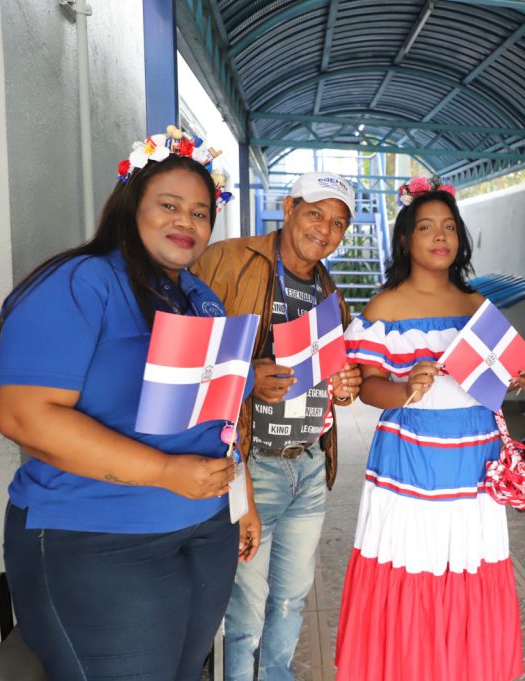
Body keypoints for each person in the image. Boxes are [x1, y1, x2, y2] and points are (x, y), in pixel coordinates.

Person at [0, 129, 260, 680]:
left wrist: (242, 500)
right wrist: (164, 471)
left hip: (204, 529)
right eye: (170, 205)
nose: (187, 222)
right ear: (130, 206)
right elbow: (24, 416)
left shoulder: (200, 298)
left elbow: (219, 413)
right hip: (99, 539)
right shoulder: (79, 283)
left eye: (200, 213)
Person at [335, 176, 525, 681]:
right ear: (405, 239)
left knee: (468, 557)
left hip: (476, 460)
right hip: (410, 463)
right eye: (426, 227)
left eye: (449, 226)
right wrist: (404, 390)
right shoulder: (384, 308)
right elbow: (367, 387)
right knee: (413, 557)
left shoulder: (477, 305)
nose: (441, 236)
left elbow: (503, 375)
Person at [191, 170, 362, 681]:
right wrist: (248, 375)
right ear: (289, 208)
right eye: (315, 213)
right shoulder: (228, 260)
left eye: (338, 223)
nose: (325, 230)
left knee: (290, 599)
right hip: (253, 465)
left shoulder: (330, 293)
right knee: (246, 610)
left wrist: (345, 385)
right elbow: (187, 353)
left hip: (308, 464)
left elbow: (335, 376)